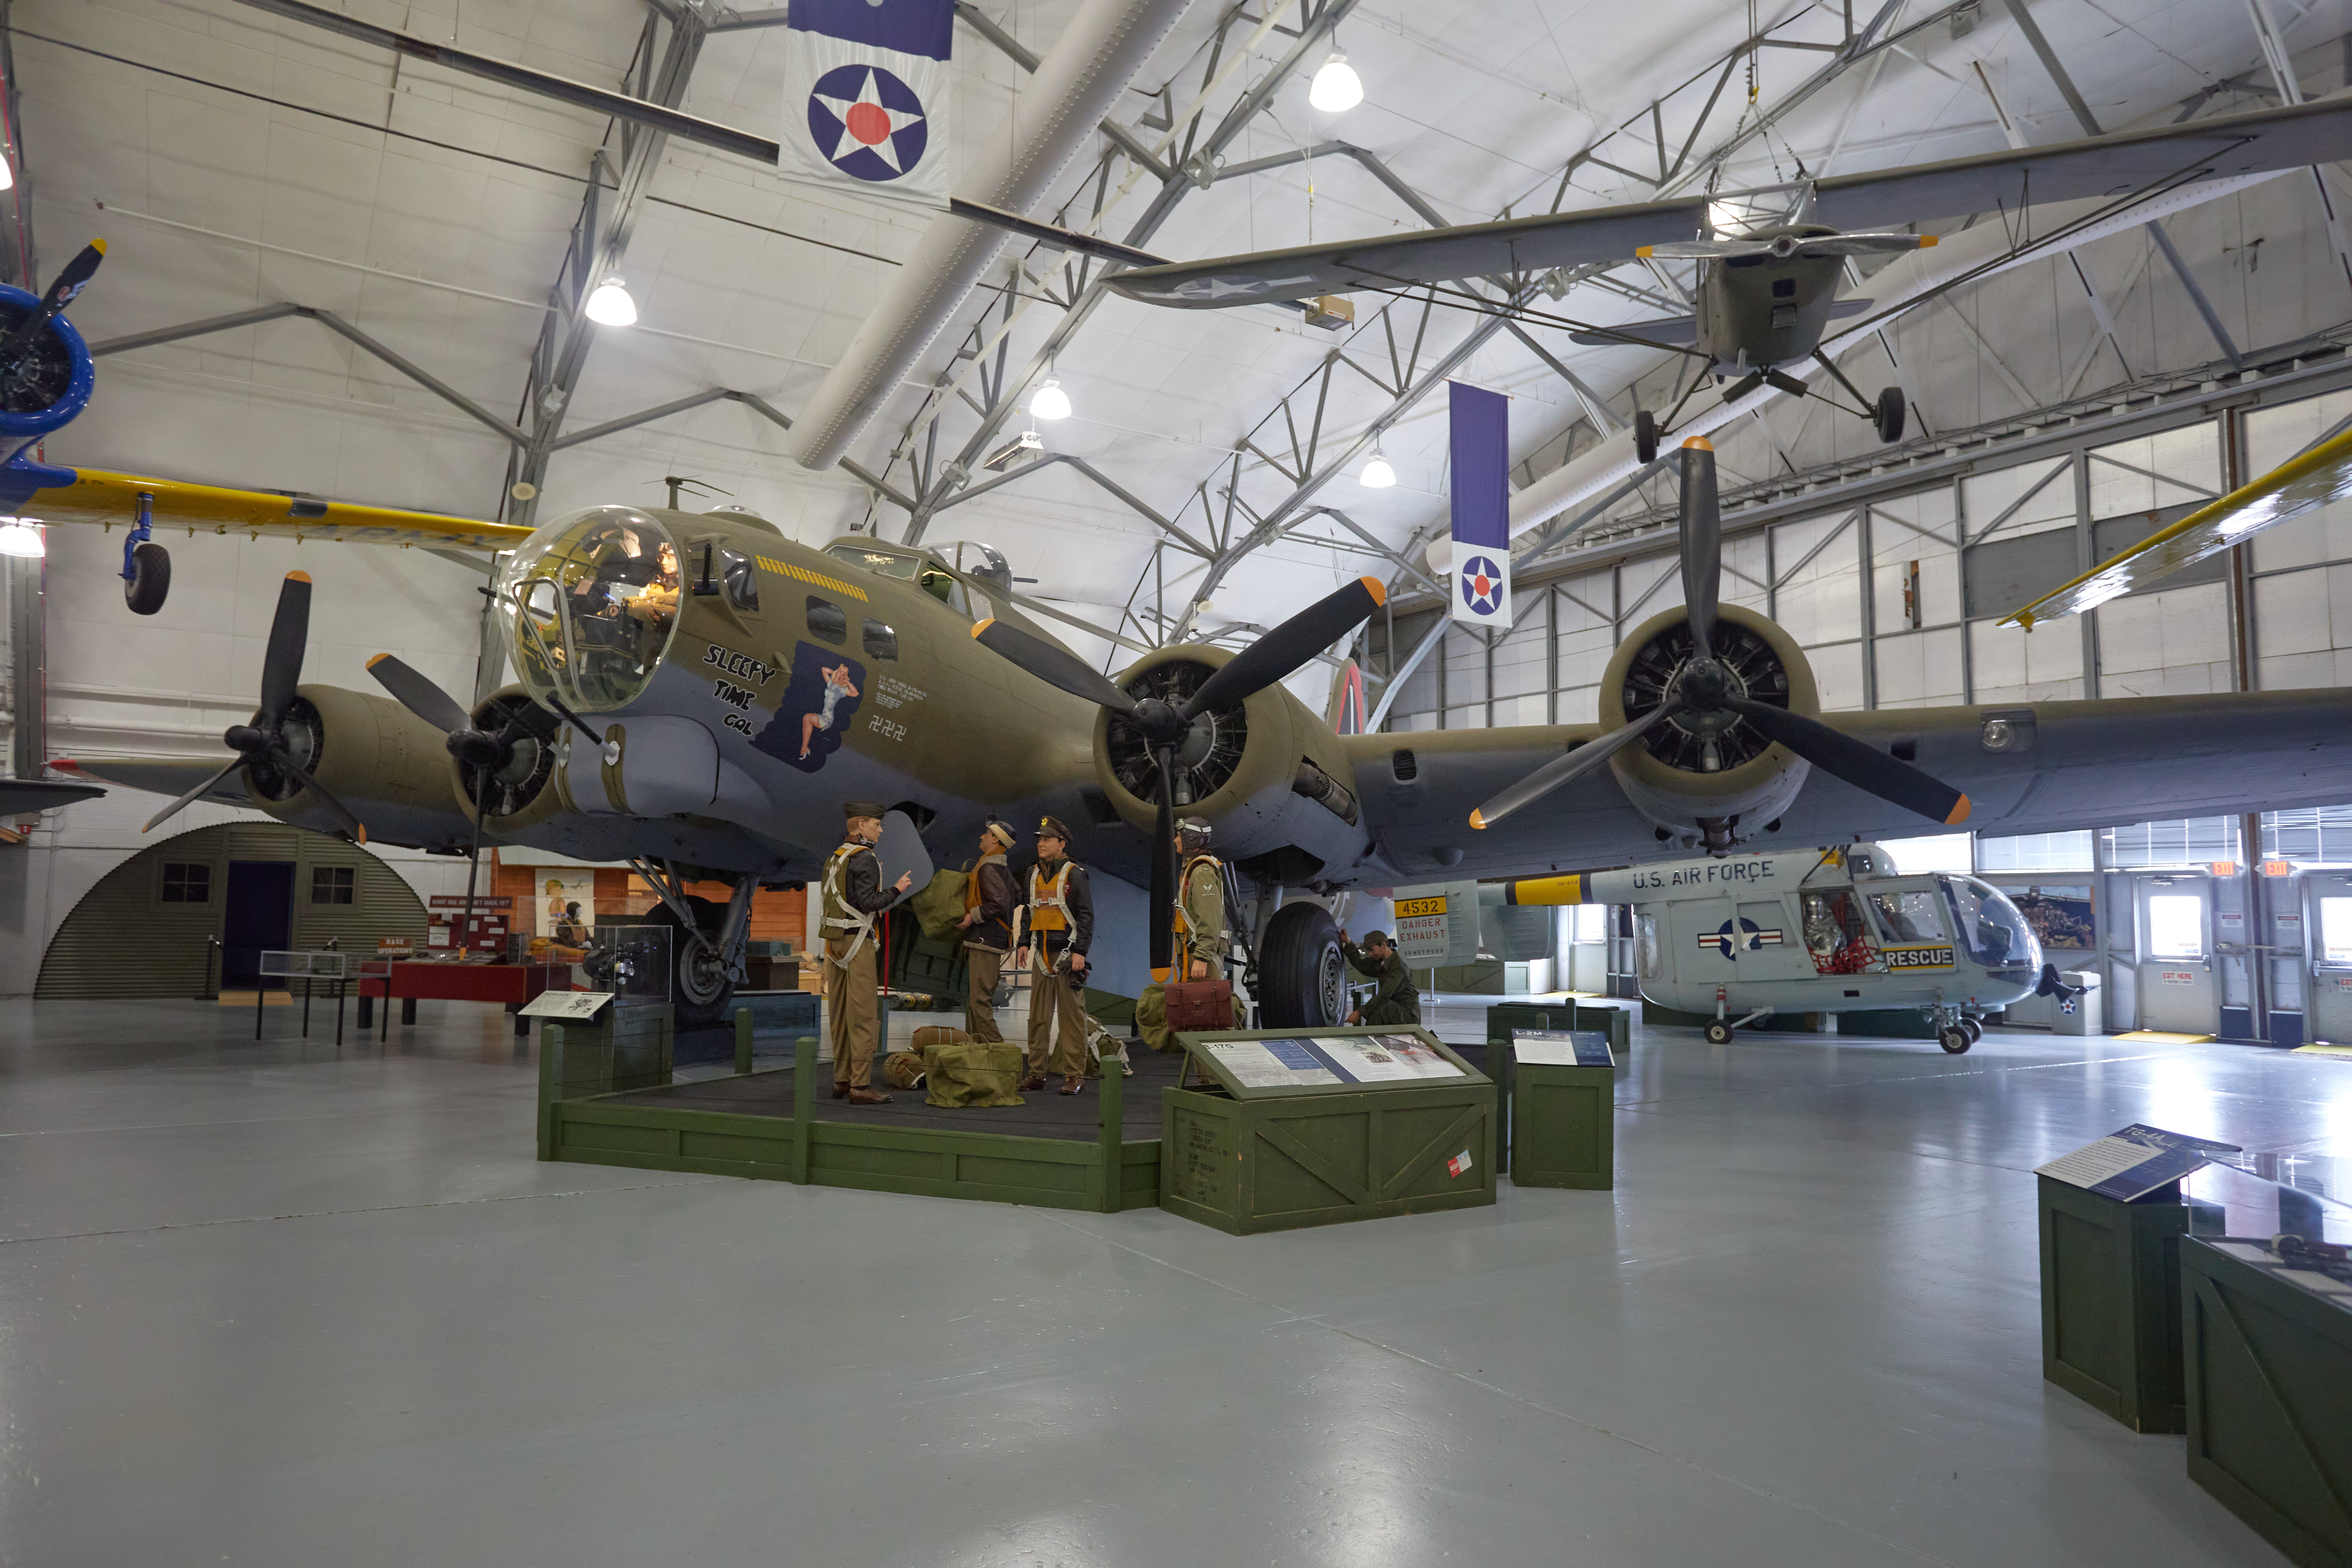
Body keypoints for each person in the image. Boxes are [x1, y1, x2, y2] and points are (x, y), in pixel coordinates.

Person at [820, 799, 911, 1104]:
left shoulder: (836, 857)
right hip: (857, 944)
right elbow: (870, 903)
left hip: (833, 944)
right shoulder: (866, 858)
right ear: (862, 825)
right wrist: (897, 888)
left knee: (839, 1014)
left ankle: (842, 1080)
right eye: (876, 824)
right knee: (863, 1016)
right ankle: (860, 1086)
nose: (881, 830)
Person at [1135, 818, 1236, 1052]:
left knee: (1210, 1021)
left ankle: (1214, 1079)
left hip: (1201, 960)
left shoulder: (1201, 873)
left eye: (1180, 836)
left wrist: (1201, 956)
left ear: (1191, 839)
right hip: (1192, 957)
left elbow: (1209, 920)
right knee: (1199, 1021)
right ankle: (1206, 1079)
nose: (1175, 840)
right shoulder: (1193, 871)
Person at [1015, 816, 1093, 1095]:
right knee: (1037, 1018)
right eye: (1040, 839)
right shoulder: (1032, 874)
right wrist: (1023, 943)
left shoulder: (1075, 874)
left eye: (1047, 839)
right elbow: (1028, 910)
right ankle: (1036, 1073)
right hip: (1040, 955)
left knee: (1072, 1020)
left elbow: (1086, 915)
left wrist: (1081, 951)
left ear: (1062, 843)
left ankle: (1075, 1076)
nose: (1041, 843)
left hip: (1067, 956)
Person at [954, 819, 1017, 1042]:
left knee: (980, 1000)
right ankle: (978, 1050)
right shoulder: (1002, 871)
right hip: (989, 940)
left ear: (995, 840)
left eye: (987, 834)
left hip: (984, 940)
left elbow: (999, 902)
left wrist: (974, 916)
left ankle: (999, 1052)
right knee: (976, 1000)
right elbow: (1015, 896)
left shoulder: (987, 869)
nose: (982, 837)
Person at [1338, 928, 1421, 1025]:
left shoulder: (1399, 968)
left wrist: (1359, 1012)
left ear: (1384, 945)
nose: (1369, 954)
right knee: (1381, 1009)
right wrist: (1348, 943)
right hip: (1394, 1010)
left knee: (1383, 1009)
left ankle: (1369, 1038)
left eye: (1372, 950)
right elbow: (1362, 965)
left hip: (1408, 1016)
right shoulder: (1382, 962)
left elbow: (1384, 995)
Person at [800, 662, 859, 758]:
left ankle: (804, 749)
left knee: (808, 719)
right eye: (839, 673)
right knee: (806, 718)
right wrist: (836, 672)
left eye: (843, 675)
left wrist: (846, 681)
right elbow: (824, 670)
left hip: (828, 718)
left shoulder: (842, 690)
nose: (840, 676)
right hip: (824, 715)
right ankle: (805, 749)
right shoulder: (831, 684)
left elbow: (855, 693)